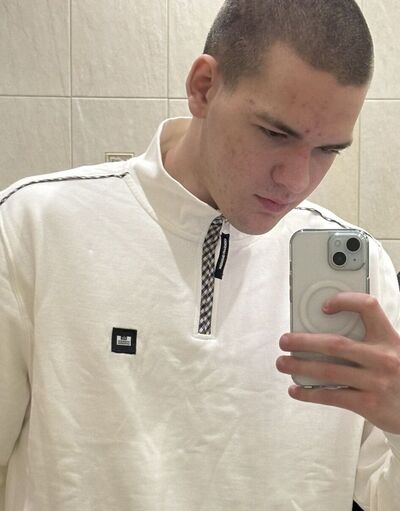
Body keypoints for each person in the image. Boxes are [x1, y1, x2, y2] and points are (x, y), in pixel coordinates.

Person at [1, 0, 399, 509]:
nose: (296, 181)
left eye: (328, 150)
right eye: (275, 134)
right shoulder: (33, 226)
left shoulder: (365, 276)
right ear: (204, 87)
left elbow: (382, 495)